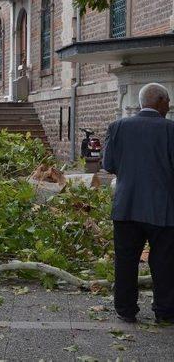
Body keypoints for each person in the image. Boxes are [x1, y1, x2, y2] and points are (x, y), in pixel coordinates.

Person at [102, 82, 174, 324]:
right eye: (168, 101)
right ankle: (164, 312)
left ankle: (125, 310)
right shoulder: (170, 130)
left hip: (126, 207)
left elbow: (108, 164)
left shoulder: (117, 127)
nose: (169, 105)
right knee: (164, 262)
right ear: (160, 101)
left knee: (125, 261)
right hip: (163, 209)